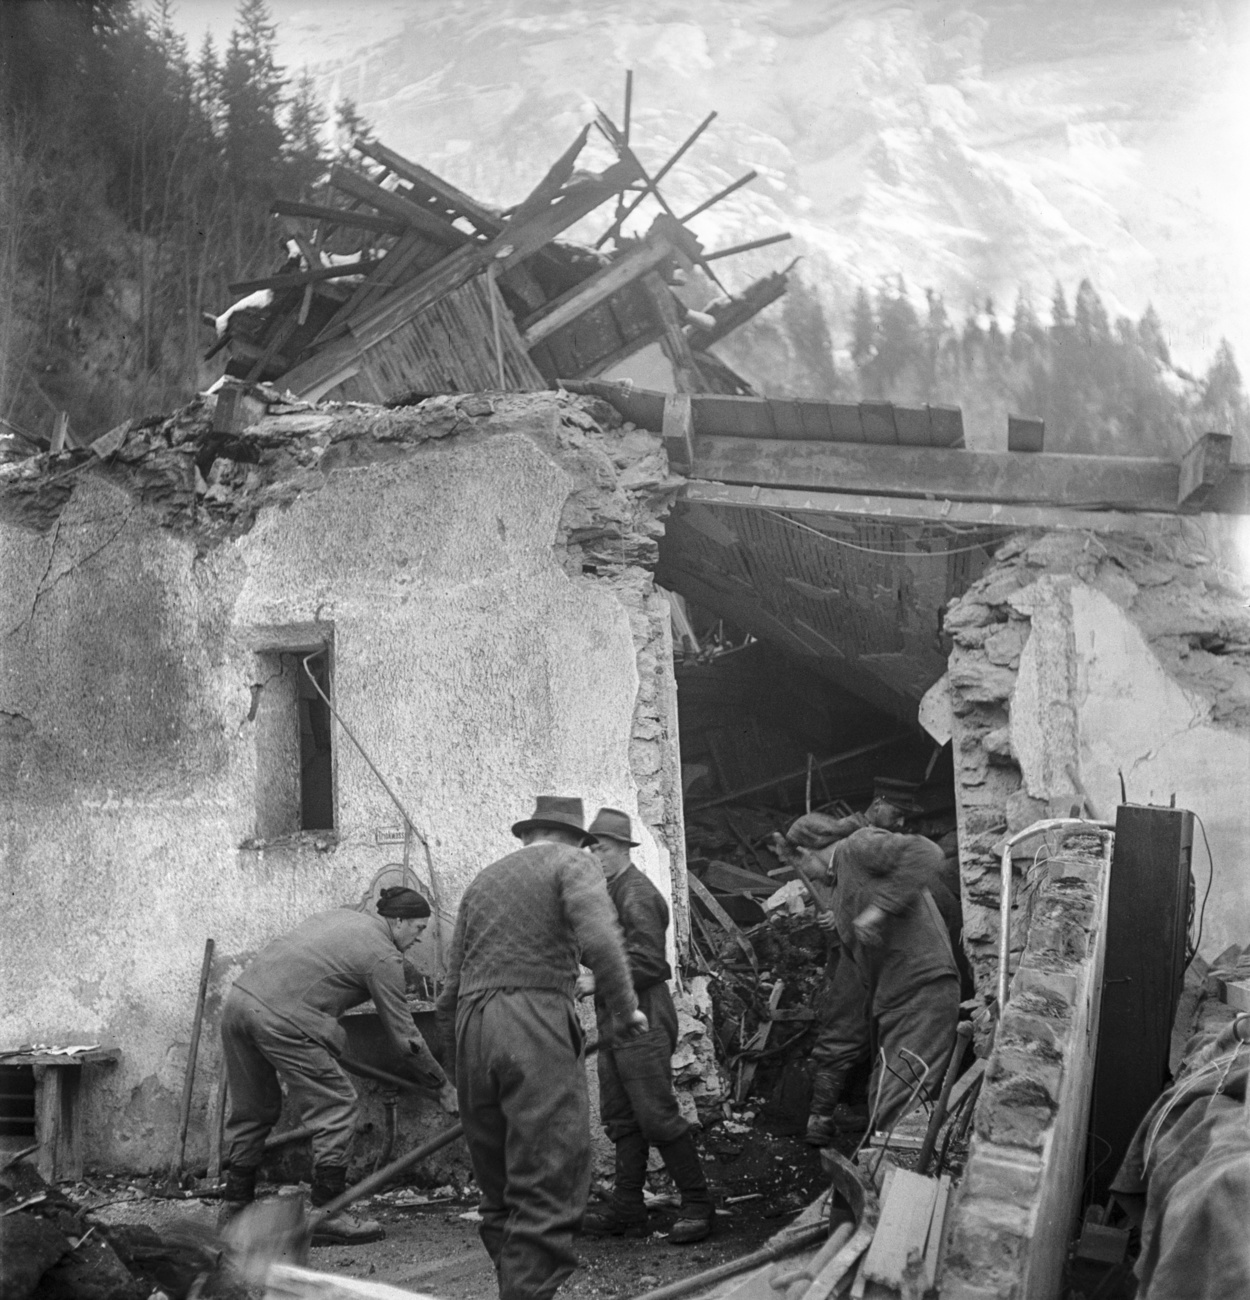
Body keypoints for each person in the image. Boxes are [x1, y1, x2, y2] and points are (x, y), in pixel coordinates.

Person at [436, 796, 647, 1300]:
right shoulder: (573, 862)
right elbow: (601, 937)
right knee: (551, 1177)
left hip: (471, 1027)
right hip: (531, 1019)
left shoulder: (484, 878)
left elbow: (449, 987)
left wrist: (455, 1068)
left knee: (499, 1189)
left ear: (529, 834)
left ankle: (516, 1287)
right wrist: (625, 1008)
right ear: (579, 838)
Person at [218, 886, 446, 1242]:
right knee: (337, 1106)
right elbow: (407, 1040)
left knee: (254, 1110)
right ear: (398, 921)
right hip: (281, 1019)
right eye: (418, 928)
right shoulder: (384, 957)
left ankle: (234, 1208)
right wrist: (442, 1087)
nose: (419, 938)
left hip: (238, 1003)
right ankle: (328, 1213)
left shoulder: (341, 917)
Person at [785, 806, 962, 1146]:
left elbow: (928, 852)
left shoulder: (858, 845)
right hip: (895, 999)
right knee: (886, 1097)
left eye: (800, 866)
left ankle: (898, 1187)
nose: (806, 876)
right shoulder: (838, 886)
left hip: (922, 989)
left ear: (806, 851)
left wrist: (878, 911)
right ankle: (889, 1181)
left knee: (898, 1104)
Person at [577, 808, 714, 1245]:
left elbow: (653, 962)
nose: (594, 854)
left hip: (645, 1015)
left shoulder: (635, 892)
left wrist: (597, 977)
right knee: (621, 1117)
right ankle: (628, 1210)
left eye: (602, 847)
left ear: (622, 849)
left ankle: (698, 1205)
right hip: (616, 1016)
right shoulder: (607, 892)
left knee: (655, 1114)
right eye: (590, 847)